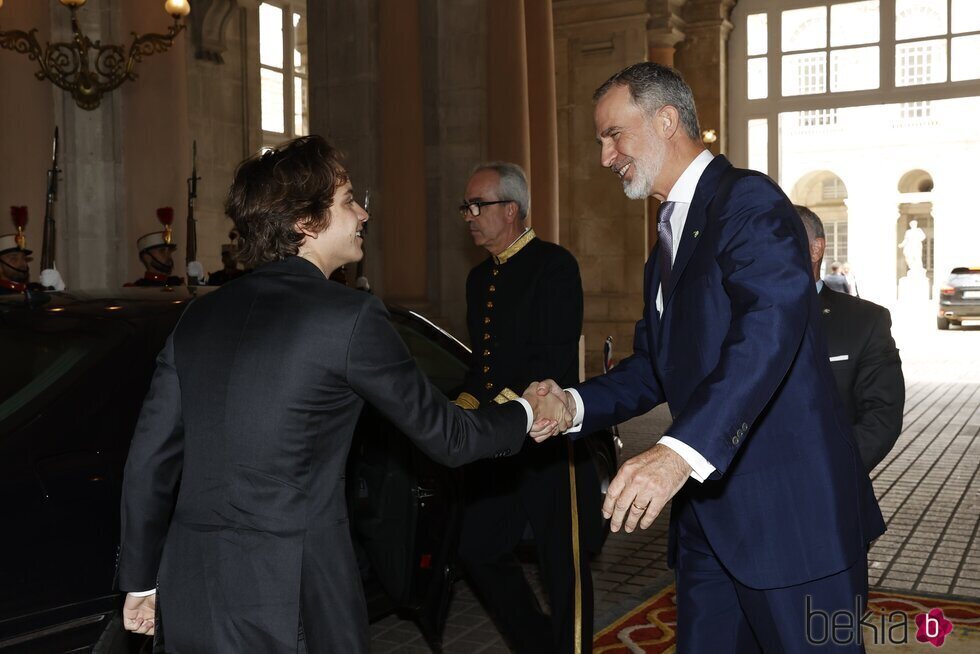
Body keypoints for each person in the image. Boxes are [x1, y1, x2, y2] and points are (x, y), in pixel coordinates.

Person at [115, 135, 566, 653]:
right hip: (292, 601)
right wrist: (529, 410)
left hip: (191, 590)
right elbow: (449, 437)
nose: (363, 216)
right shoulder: (349, 316)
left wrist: (141, 579)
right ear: (306, 222)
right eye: (349, 200)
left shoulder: (199, 315)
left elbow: (149, 460)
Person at [534, 63, 884, 652]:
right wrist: (572, 404)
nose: (604, 155)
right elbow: (656, 364)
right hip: (708, 527)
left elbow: (770, 328)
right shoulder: (669, 235)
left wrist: (679, 452)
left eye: (613, 134)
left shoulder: (748, 201)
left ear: (666, 120)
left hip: (791, 525)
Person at [455, 162, 600, 653]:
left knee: (564, 569)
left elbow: (551, 361)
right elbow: (482, 364)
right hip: (502, 446)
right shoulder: (478, 280)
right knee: (477, 548)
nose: (469, 216)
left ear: (511, 210)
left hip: (551, 442)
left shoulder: (554, 266)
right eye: (466, 207)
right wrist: (463, 411)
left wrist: (497, 410)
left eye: (479, 205)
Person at [797, 206, 905, 472]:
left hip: (827, 486)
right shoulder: (734, 318)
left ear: (815, 248)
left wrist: (829, 473)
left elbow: (881, 416)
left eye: (781, 237)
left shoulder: (865, 320)